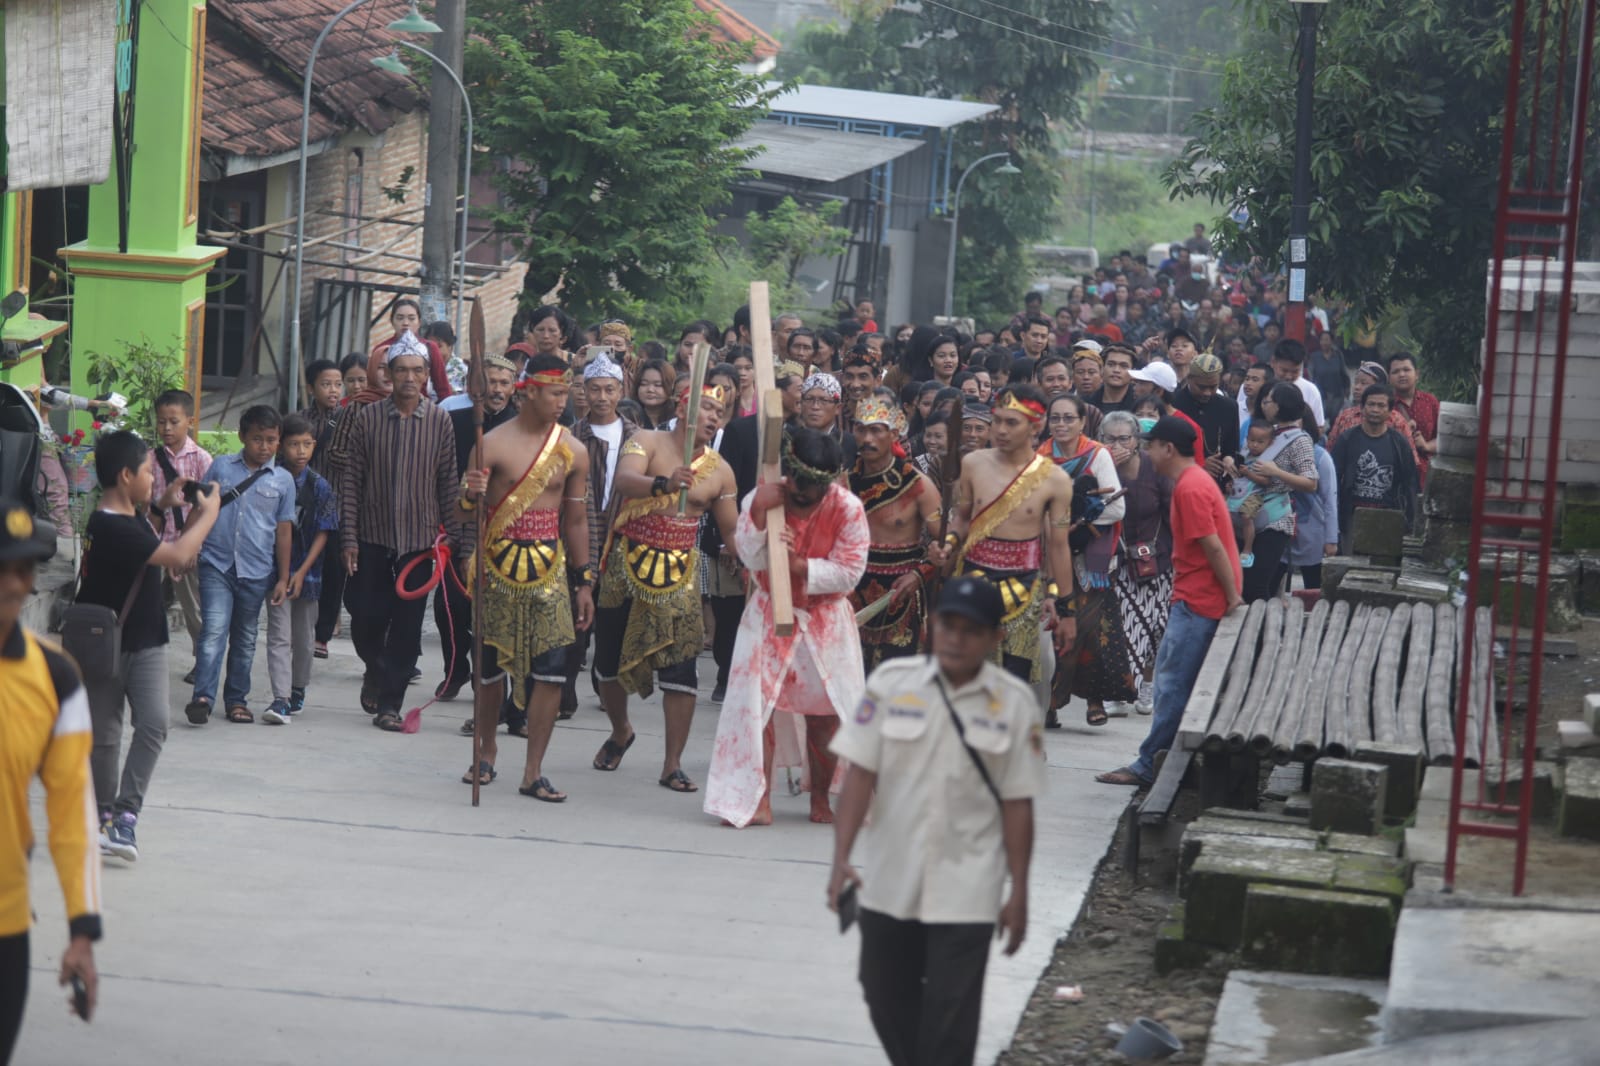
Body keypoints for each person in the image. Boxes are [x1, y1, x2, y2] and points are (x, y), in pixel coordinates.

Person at [826, 576, 1043, 1066]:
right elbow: (860, 774)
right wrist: (840, 859)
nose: (956, 638)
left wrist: (1020, 893)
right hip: (889, 882)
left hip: (967, 891)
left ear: (995, 639)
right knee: (881, 994)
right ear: (933, 625)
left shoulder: (1013, 704)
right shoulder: (888, 685)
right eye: (948, 624)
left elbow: (1018, 805)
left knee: (951, 1017)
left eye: (971, 630)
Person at [705, 428, 869, 827]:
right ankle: (755, 799)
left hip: (825, 623)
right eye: (796, 481)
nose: (801, 492)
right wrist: (758, 514)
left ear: (827, 482)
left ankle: (822, 799)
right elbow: (748, 557)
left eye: (812, 486)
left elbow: (851, 572)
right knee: (753, 711)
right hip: (767, 614)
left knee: (828, 714)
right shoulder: (763, 497)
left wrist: (800, 567)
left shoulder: (848, 508)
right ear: (788, 471)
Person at [457, 353, 594, 799]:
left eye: (565, 393)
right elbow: (463, 513)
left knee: (552, 672)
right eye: (555, 392)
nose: (562, 401)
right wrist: (468, 495)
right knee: (490, 669)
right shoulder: (491, 443)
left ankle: (533, 770)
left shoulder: (573, 450)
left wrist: (584, 580)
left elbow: (575, 521)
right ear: (529, 391)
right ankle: (487, 751)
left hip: (549, 572)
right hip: (497, 569)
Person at [593, 382, 739, 794]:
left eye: (719, 412)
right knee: (606, 662)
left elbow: (731, 531)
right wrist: (664, 484)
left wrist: (760, 552)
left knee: (682, 671)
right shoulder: (645, 440)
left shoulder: (721, 470)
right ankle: (621, 730)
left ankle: (672, 764)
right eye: (706, 408)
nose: (712, 417)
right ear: (683, 407)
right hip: (626, 564)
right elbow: (623, 480)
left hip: (679, 575)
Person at [80, 431, 219, 861]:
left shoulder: (132, 515)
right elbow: (176, 557)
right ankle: (105, 818)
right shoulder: (108, 523)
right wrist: (209, 514)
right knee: (105, 735)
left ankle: (126, 814)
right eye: (147, 472)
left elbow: (147, 538)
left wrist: (160, 507)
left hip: (147, 637)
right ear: (125, 476)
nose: (152, 478)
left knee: (155, 724)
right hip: (105, 642)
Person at [0, 499, 101, 1059]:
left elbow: (73, 812)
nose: (15, 583)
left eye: (24, 569)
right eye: (2, 567)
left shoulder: (56, 676)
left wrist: (82, 930)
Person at [1097, 417, 1242, 787]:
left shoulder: (1189, 489)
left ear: (1168, 449)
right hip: (1198, 597)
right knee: (1170, 683)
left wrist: (1232, 597)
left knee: (1171, 687)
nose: (1146, 452)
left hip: (1198, 602)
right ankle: (1160, 761)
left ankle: (1149, 765)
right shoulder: (1194, 482)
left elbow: (1212, 546)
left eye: (1151, 445)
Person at [335, 335, 462, 732]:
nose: (409, 377)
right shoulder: (367, 418)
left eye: (417, 371)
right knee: (365, 615)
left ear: (427, 375)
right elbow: (351, 480)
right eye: (401, 370)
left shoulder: (439, 419)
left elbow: (447, 480)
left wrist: (455, 538)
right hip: (372, 535)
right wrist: (349, 537)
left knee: (408, 626)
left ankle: (390, 703)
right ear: (388, 374)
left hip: (421, 541)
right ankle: (377, 667)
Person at [947, 384, 1076, 686]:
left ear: (1036, 426)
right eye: (997, 420)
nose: (1000, 430)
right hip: (972, 581)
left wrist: (1067, 609)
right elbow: (961, 519)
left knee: (1012, 682)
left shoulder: (1055, 480)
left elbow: (1059, 547)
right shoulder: (973, 464)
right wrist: (950, 542)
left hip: (1024, 589)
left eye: (1011, 422)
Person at [184, 406, 294, 726]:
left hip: (257, 570)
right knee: (213, 630)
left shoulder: (283, 481)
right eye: (256, 438)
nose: (263, 446)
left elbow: (284, 531)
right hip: (216, 563)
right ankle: (202, 697)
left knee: (245, 637)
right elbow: (201, 507)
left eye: (271, 440)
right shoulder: (221, 467)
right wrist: (186, 547)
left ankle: (236, 700)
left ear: (279, 441)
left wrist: (283, 576)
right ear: (242, 437)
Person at [1039, 393, 1131, 728]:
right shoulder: (1039, 457)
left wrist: (1077, 519)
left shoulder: (1097, 454)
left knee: (1090, 631)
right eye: (1055, 418)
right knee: (1050, 631)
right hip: (1050, 554)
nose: (1061, 424)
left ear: (1082, 422)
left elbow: (1117, 507)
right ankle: (1048, 701)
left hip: (1090, 560)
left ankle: (1094, 699)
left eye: (1068, 418)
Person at [438, 355, 522, 708]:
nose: (497, 390)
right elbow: (441, 472)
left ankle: (496, 695)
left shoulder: (521, 426)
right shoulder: (453, 420)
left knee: (493, 616)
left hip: (505, 531)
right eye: (490, 382)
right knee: (449, 607)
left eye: (504, 383)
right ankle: (455, 670)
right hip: (455, 521)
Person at [561, 352, 641, 719]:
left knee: (613, 626)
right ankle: (563, 695)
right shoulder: (569, 437)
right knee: (575, 623)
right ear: (584, 391)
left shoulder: (637, 439)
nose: (602, 397)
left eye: (610, 389)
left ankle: (605, 685)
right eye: (595, 389)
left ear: (621, 390)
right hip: (579, 538)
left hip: (620, 542)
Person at [847, 391, 943, 672]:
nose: (867, 439)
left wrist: (919, 574)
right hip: (851, 592)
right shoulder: (843, 483)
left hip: (901, 592)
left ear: (894, 434)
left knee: (895, 685)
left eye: (876, 431)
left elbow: (946, 544)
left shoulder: (917, 485)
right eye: (860, 429)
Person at [263, 415, 337, 724]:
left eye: (307, 445)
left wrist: (302, 569)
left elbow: (324, 531)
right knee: (279, 635)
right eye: (294, 444)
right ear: (282, 446)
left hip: (309, 573)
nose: (301, 451)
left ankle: (297, 688)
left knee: (304, 638)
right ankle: (280, 698)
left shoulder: (320, 486)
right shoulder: (270, 480)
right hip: (274, 572)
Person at [1102, 411, 1171, 715]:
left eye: (1124, 438)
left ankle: (1147, 686)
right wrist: (1108, 473)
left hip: (1157, 560)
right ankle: (1119, 689)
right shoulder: (1099, 466)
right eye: (1110, 438)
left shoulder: (1154, 468)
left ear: (1136, 439)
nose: (1117, 444)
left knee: (1156, 626)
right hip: (1117, 560)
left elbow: (1172, 513)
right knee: (1123, 627)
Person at [148, 390, 212, 678]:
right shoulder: (149, 459)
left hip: (188, 547)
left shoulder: (201, 459)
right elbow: (147, 504)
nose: (167, 429)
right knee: (146, 603)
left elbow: (207, 508)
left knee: (193, 609)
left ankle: (204, 662)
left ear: (190, 421)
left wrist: (193, 548)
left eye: (174, 422)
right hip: (158, 545)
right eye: (161, 422)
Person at [1233, 384, 1319, 602]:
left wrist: (1276, 472)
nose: (1264, 404)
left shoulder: (1299, 439)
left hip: (1273, 521)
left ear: (1280, 406)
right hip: (1245, 512)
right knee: (1240, 581)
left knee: (1256, 585)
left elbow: (1310, 482)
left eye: (1268, 400)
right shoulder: (1265, 431)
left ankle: (1259, 632)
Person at [1330, 384, 1419, 547]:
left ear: (1390, 411)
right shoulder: (1347, 440)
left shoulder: (1399, 443)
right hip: (1351, 515)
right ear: (1362, 408)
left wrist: (1411, 520)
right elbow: (1332, 478)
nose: (1375, 410)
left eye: (1381, 405)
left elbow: (1411, 483)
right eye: (1371, 404)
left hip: (1388, 516)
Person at [1172, 353, 1240, 488]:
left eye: (1213, 387)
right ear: (1189, 378)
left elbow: (1232, 448)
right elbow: (1167, 452)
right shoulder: (1173, 403)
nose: (1207, 393)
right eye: (1201, 387)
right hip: (1181, 482)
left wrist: (1229, 459)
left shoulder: (1229, 406)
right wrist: (1200, 463)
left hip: (1216, 485)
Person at [1287, 422, 1339, 591]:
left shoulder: (1320, 457)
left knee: (1313, 588)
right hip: (1281, 529)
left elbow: (1330, 500)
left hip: (1312, 532)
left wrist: (1331, 539)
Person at [371, 298, 453, 401]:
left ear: (419, 322)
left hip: (422, 408)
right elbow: (373, 385)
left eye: (411, 318)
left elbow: (443, 388)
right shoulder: (381, 350)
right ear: (392, 321)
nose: (405, 323)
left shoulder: (430, 347)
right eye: (400, 318)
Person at [1386, 352, 1438, 483]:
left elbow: (1444, 438)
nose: (1402, 374)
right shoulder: (1384, 405)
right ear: (1389, 377)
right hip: (1393, 476)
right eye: (1396, 371)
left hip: (1427, 478)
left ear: (1417, 374)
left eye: (1406, 370)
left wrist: (1426, 446)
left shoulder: (1430, 402)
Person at [1270, 339, 1328, 432]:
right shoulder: (1259, 385)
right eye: (1284, 370)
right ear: (1273, 362)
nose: (1289, 376)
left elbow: (1319, 427)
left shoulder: (1310, 390)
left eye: (1295, 371)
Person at [1088, 344, 1139, 414]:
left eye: (1123, 366)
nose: (1116, 370)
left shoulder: (1139, 406)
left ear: (1133, 372)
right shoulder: (1086, 405)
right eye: (1111, 364)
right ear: (1102, 368)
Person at [632, 358, 677, 430]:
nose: (650, 390)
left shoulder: (677, 419)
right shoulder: (628, 415)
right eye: (644, 384)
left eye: (658, 385)